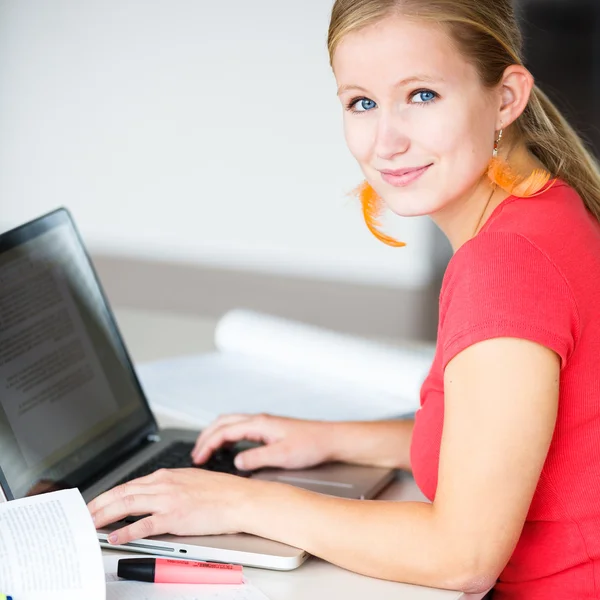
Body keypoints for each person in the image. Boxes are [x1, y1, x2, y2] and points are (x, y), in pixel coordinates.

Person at [88, 1, 600, 597]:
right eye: (362, 102)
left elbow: (463, 555)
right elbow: (507, 434)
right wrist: (333, 438)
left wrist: (241, 502)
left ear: (507, 98)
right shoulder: (551, 209)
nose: (386, 141)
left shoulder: (505, 267)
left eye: (423, 95)